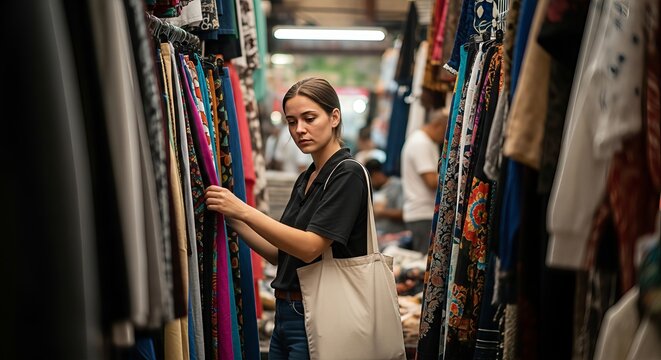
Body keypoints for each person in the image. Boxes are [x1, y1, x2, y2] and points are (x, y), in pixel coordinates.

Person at [205, 77, 370, 359]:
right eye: (292, 122)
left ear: (334, 117)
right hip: (287, 315)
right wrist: (233, 220)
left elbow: (309, 247)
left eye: (309, 118)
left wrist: (244, 210)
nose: (299, 130)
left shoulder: (347, 173)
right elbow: (280, 255)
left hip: (318, 314)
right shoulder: (307, 178)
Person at [400, 107, 448, 255]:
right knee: (423, 264)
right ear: (437, 125)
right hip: (422, 213)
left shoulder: (424, 141)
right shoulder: (421, 143)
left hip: (421, 212)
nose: (446, 137)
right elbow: (431, 182)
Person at [364, 158, 406, 237]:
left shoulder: (398, 185)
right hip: (377, 236)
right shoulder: (371, 189)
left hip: (396, 236)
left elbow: (403, 213)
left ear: (376, 175)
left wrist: (381, 212)